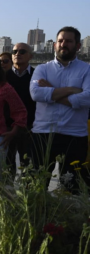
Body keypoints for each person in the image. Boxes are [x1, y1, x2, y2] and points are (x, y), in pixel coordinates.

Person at [30, 26, 90, 191]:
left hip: (74, 135)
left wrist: (50, 91)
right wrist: (71, 90)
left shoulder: (86, 70)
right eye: (60, 41)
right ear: (55, 44)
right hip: (43, 133)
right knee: (36, 186)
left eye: (69, 41)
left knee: (73, 187)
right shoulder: (43, 69)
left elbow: (87, 98)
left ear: (77, 46)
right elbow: (36, 94)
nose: (64, 44)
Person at [5, 43, 35, 172]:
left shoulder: (37, 75)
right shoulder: (3, 77)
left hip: (30, 128)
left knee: (28, 167)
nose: (17, 54)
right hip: (6, 127)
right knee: (6, 165)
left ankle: (27, 192)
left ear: (30, 56)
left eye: (22, 51)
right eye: (15, 51)